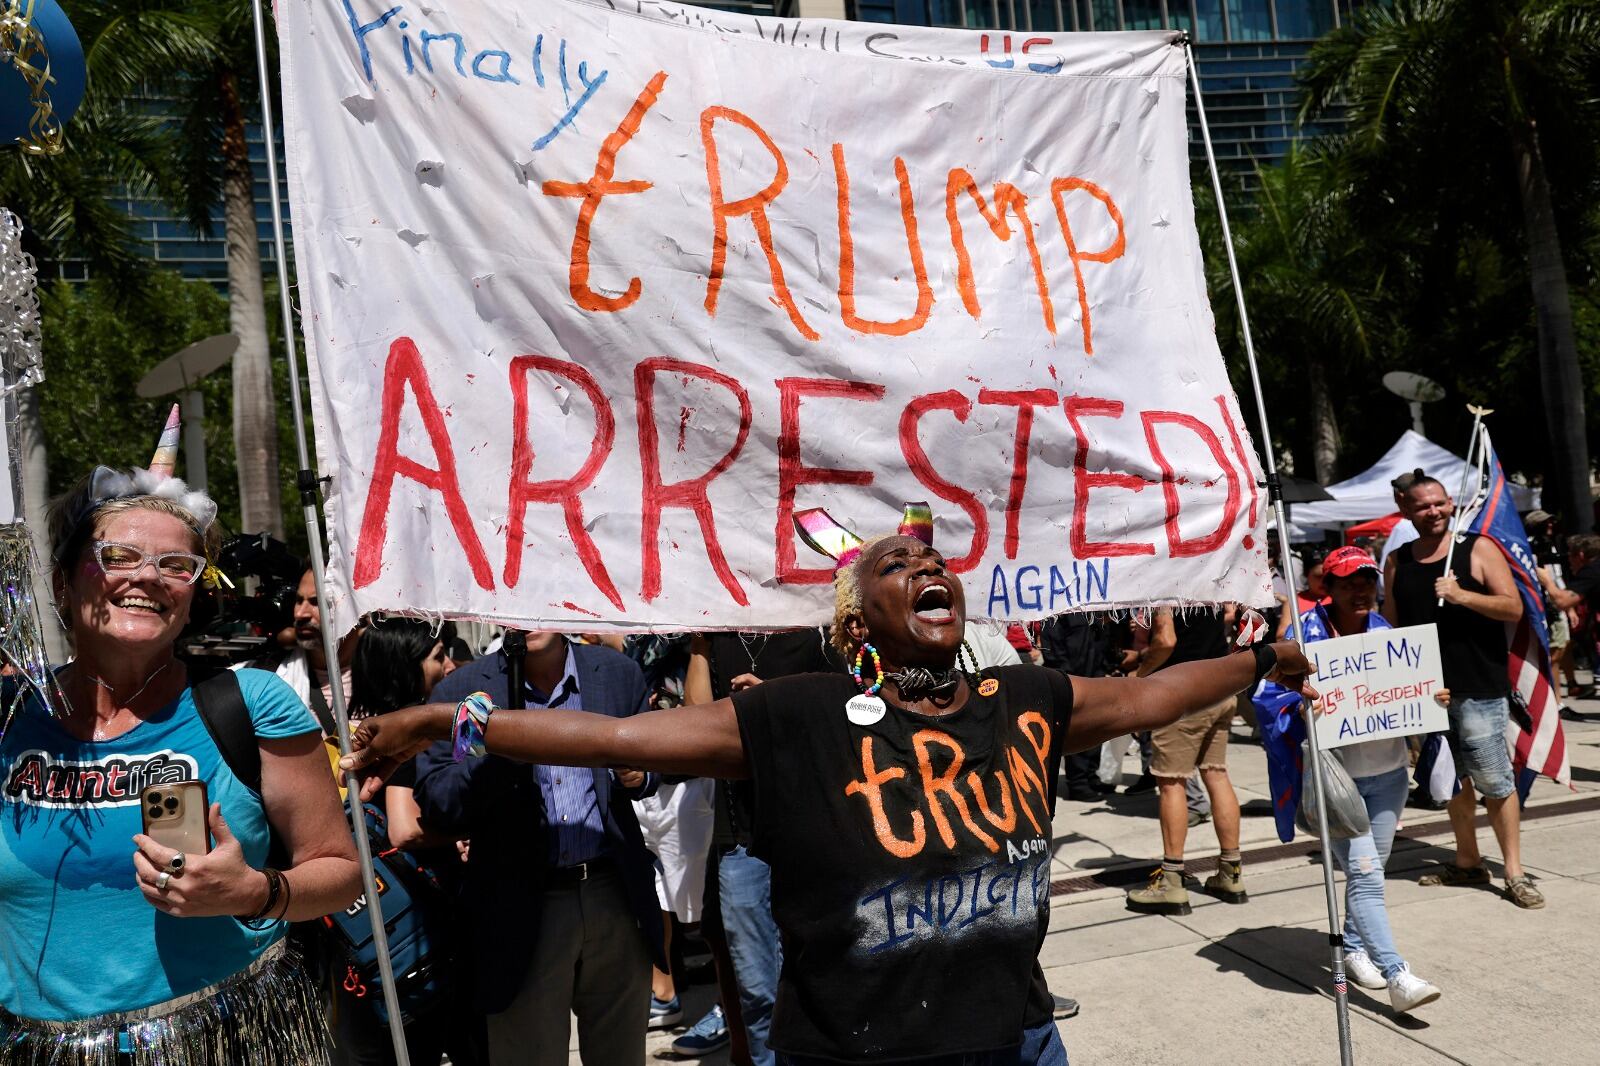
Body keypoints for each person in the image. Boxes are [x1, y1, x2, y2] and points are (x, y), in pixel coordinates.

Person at [343, 507, 1313, 1064]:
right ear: (860, 618)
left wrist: (1261, 656)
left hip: (1014, 1042)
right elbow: (611, 732)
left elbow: (1149, 696)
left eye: (934, 561)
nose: (926, 564)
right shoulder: (797, 715)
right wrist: (440, 720)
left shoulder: (1022, 695)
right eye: (898, 565)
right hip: (859, 1053)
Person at [0, 456, 361, 1062]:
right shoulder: (8, 717)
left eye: (177, 566)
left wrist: (253, 891)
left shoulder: (249, 703)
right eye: (119, 556)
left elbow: (339, 870)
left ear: (192, 598)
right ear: (62, 583)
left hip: (227, 1037)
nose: (149, 577)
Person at [412, 630, 665, 1065]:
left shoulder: (616, 674)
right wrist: (501, 751)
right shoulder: (468, 694)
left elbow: (661, 758)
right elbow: (440, 800)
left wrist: (641, 776)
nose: (526, 616)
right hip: (520, 907)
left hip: (614, 896)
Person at [1256, 547, 1443, 1013]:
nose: (1359, 590)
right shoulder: (1302, 635)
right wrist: (1297, 703)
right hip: (1335, 782)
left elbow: (1409, 693)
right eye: (1347, 582)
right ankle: (1399, 975)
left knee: (1370, 875)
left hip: (1389, 775)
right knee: (1365, 876)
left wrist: (1435, 696)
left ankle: (1357, 949)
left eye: (1366, 580)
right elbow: (1264, 696)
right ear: (1329, 589)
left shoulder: (1386, 633)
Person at [1383, 470, 1543, 908]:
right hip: (1427, 692)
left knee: (1494, 781)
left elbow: (1513, 606)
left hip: (1478, 686)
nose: (1432, 511)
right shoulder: (1397, 559)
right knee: (1449, 781)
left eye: (1438, 503)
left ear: (1450, 503)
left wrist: (1462, 596)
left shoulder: (1477, 548)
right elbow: (1391, 626)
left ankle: (1514, 871)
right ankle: (1467, 861)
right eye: (1421, 506)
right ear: (1405, 510)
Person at [337, 616, 481, 1066]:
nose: (451, 667)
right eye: (438, 658)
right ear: (404, 667)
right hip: (424, 926)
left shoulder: (364, 729)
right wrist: (467, 831)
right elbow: (406, 829)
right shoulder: (398, 737)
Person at [1125, 607, 1250, 915]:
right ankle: (1230, 872)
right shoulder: (1205, 574)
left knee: (1171, 783)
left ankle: (1171, 880)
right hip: (1220, 686)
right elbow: (1228, 616)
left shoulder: (1168, 581)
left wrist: (1140, 675)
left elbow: (1166, 640)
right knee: (1216, 774)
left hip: (1181, 691)